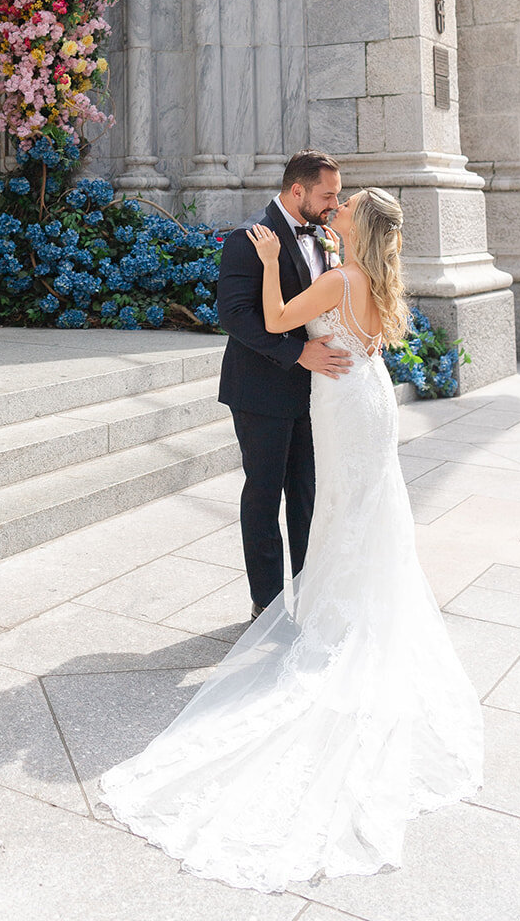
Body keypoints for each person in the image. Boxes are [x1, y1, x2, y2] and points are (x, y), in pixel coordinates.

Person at [100, 187, 483, 891]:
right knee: (358, 508)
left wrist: (276, 261)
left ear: (359, 226)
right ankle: (352, 607)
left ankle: (336, 618)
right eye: (335, 199)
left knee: (339, 506)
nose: (336, 210)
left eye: (347, 206)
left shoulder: (338, 277)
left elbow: (277, 319)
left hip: (341, 401)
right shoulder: (372, 278)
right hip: (364, 396)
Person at [217, 150, 349, 619]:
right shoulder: (249, 237)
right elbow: (234, 316)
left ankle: (308, 595)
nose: (335, 203)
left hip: (313, 391)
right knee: (264, 495)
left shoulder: (324, 235)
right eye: (327, 195)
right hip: (261, 390)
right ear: (298, 190)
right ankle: (267, 606)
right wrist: (297, 353)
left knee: (306, 494)